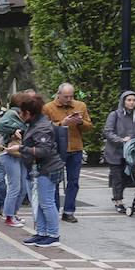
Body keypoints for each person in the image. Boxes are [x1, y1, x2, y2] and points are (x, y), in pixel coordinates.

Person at [6, 91, 64, 247]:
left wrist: (21, 148)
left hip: (46, 169)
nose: (20, 114)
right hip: (37, 169)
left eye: (21, 112)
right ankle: (42, 232)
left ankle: (53, 235)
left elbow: (44, 151)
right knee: (39, 203)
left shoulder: (42, 126)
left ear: (28, 112)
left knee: (46, 203)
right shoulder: (36, 123)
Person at [42, 83, 92, 223]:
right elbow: (44, 129)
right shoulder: (48, 108)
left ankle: (69, 211)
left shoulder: (80, 106)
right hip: (56, 149)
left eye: (71, 96)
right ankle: (54, 210)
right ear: (58, 94)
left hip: (75, 148)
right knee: (55, 181)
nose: (69, 99)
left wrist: (81, 122)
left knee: (73, 181)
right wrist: (62, 123)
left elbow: (89, 127)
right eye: (66, 96)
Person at [102, 91, 135, 213]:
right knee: (117, 177)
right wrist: (121, 140)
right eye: (129, 100)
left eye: (134, 100)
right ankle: (119, 201)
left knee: (131, 177)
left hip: (131, 152)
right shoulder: (114, 115)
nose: (132, 102)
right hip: (115, 152)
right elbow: (108, 132)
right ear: (123, 101)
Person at [0, 93, 28, 227]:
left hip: (18, 152)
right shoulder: (12, 113)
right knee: (15, 186)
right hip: (9, 153)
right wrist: (15, 129)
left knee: (22, 187)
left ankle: (13, 213)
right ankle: (9, 216)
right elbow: (1, 125)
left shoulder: (21, 114)